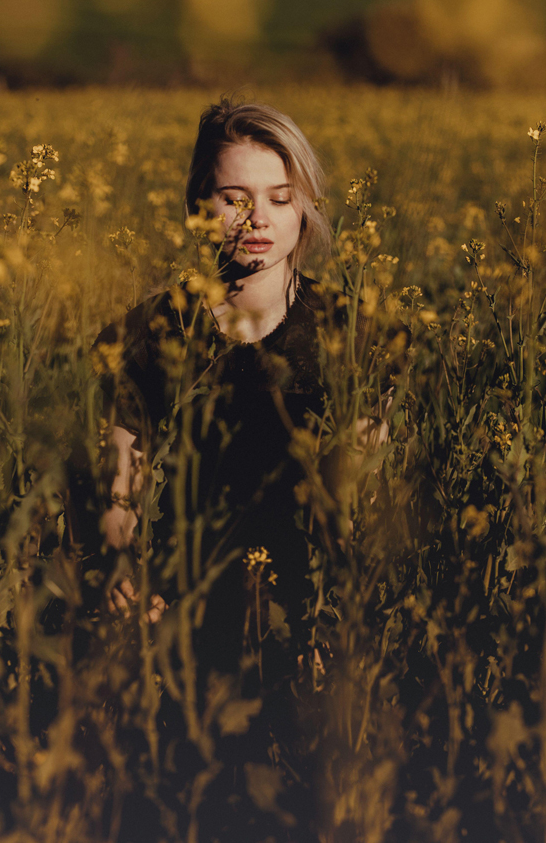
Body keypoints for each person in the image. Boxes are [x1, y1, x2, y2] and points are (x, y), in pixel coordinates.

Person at [92, 98, 369, 683]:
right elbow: (121, 489)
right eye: (234, 198)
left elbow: (358, 504)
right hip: (172, 628)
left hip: (304, 629)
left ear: (305, 210)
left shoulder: (359, 335)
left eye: (279, 198)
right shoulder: (142, 335)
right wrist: (123, 577)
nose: (257, 219)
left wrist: (327, 622)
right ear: (199, 203)